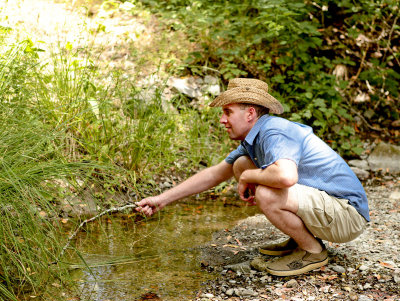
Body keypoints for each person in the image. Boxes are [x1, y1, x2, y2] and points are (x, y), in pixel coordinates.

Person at [136, 78, 369, 276]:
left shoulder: (274, 131)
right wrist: (162, 199)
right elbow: (215, 174)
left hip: (347, 216)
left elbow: (286, 177)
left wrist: (248, 175)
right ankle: (301, 239)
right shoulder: (254, 139)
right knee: (240, 164)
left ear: (249, 114)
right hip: (331, 210)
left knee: (266, 190)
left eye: (227, 112)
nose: (222, 120)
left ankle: (313, 252)